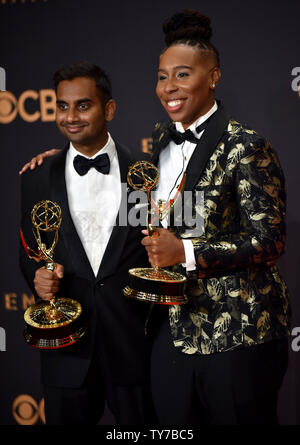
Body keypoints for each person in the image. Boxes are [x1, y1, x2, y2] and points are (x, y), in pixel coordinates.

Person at [21, 10, 291, 425]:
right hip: (173, 337)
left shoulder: (248, 146)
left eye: (182, 75)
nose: (169, 87)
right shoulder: (160, 142)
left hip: (237, 335)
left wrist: (183, 250)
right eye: (162, 76)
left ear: (213, 76)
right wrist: (58, 160)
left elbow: (269, 241)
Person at [19, 62, 154, 425]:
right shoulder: (36, 178)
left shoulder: (147, 173)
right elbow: (29, 252)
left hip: (134, 347)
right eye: (62, 106)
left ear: (108, 109)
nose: (70, 116)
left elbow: (170, 248)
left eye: (83, 105)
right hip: (66, 350)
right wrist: (38, 275)